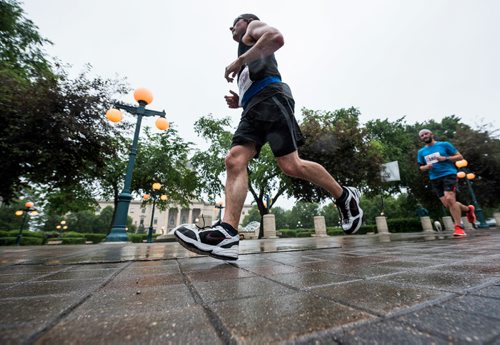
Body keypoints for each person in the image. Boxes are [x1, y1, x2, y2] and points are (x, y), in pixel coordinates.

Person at [174, 14, 363, 260]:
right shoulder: (248, 52)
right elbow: (256, 75)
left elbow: (276, 38)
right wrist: (240, 100)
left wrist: (239, 60)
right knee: (234, 160)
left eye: (235, 22)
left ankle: (344, 195)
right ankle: (227, 234)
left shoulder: (252, 29)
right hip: (253, 107)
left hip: (272, 98)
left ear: (247, 21)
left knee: (290, 165)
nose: (231, 28)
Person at [417, 129, 476, 237]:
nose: (424, 136)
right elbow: (421, 167)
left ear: (431, 134)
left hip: (449, 174)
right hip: (434, 178)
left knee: (450, 198)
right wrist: (426, 167)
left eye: (426, 134)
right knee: (448, 204)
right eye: (422, 135)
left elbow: (459, 157)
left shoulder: (444, 145)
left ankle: (458, 228)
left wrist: (445, 158)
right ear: (421, 138)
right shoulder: (421, 152)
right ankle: (468, 209)